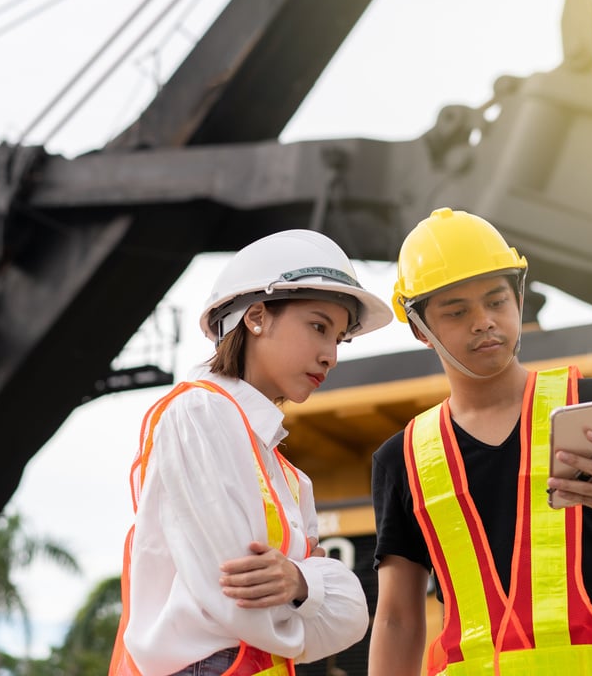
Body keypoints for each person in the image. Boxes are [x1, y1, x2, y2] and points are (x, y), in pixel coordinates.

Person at [368, 208, 592, 675]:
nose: (483, 322)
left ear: (518, 299)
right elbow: (398, 619)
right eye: (457, 311)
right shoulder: (402, 458)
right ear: (420, 328)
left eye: (496, 301)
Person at [110, 229, 394, 675]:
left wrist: (299, 579)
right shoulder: (197, 412)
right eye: (319, 327)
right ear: (257, 316)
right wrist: (317, 587)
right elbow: (239, 598)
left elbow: (352, 618)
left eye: (339, 339)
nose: (330, 356)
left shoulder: (288, 475)